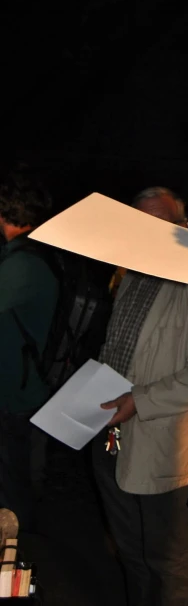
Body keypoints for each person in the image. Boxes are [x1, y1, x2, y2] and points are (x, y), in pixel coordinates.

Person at [91, 186, 188, 606]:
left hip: (160, 443)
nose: (148, 232)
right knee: (131, 553)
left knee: (166, 559)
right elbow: (118, 349)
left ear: (181, 227)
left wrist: (140, 400)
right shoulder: (130, 275)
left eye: (161, 223)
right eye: (140, 223)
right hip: (108, 434)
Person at [0, 165, 60, 531]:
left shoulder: (22, 264)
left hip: (15, 392)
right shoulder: (31, 255)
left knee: (10, 484)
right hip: (22, 385)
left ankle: (12, 568)